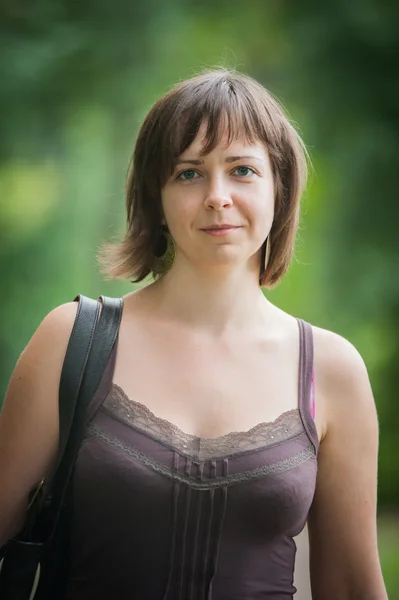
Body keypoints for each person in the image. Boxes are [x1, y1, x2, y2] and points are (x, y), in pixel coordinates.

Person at [0, 69, 388, 599]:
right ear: (154, 198)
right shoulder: (71, 340)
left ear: (280, 189)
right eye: (188, 173)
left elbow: (350, 587)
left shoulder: (332, 370)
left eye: (243, 170)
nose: (217, 196)